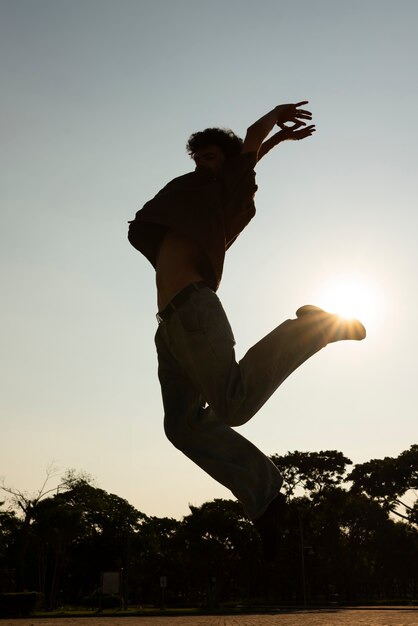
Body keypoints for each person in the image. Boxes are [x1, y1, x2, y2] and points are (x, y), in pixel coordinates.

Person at [128, 102, 366, 561]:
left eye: (211, 157)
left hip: (195, 312)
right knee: (181, 426)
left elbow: (247, 151)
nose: (201, 165)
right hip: (171, 329)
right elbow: (246, 159)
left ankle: (313, 328)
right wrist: (274, 144)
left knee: (232, 405)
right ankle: (267, 500)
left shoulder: (221, 187)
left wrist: (273, 120)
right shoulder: (197, 196)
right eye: (197, 159)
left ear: (228, 159)